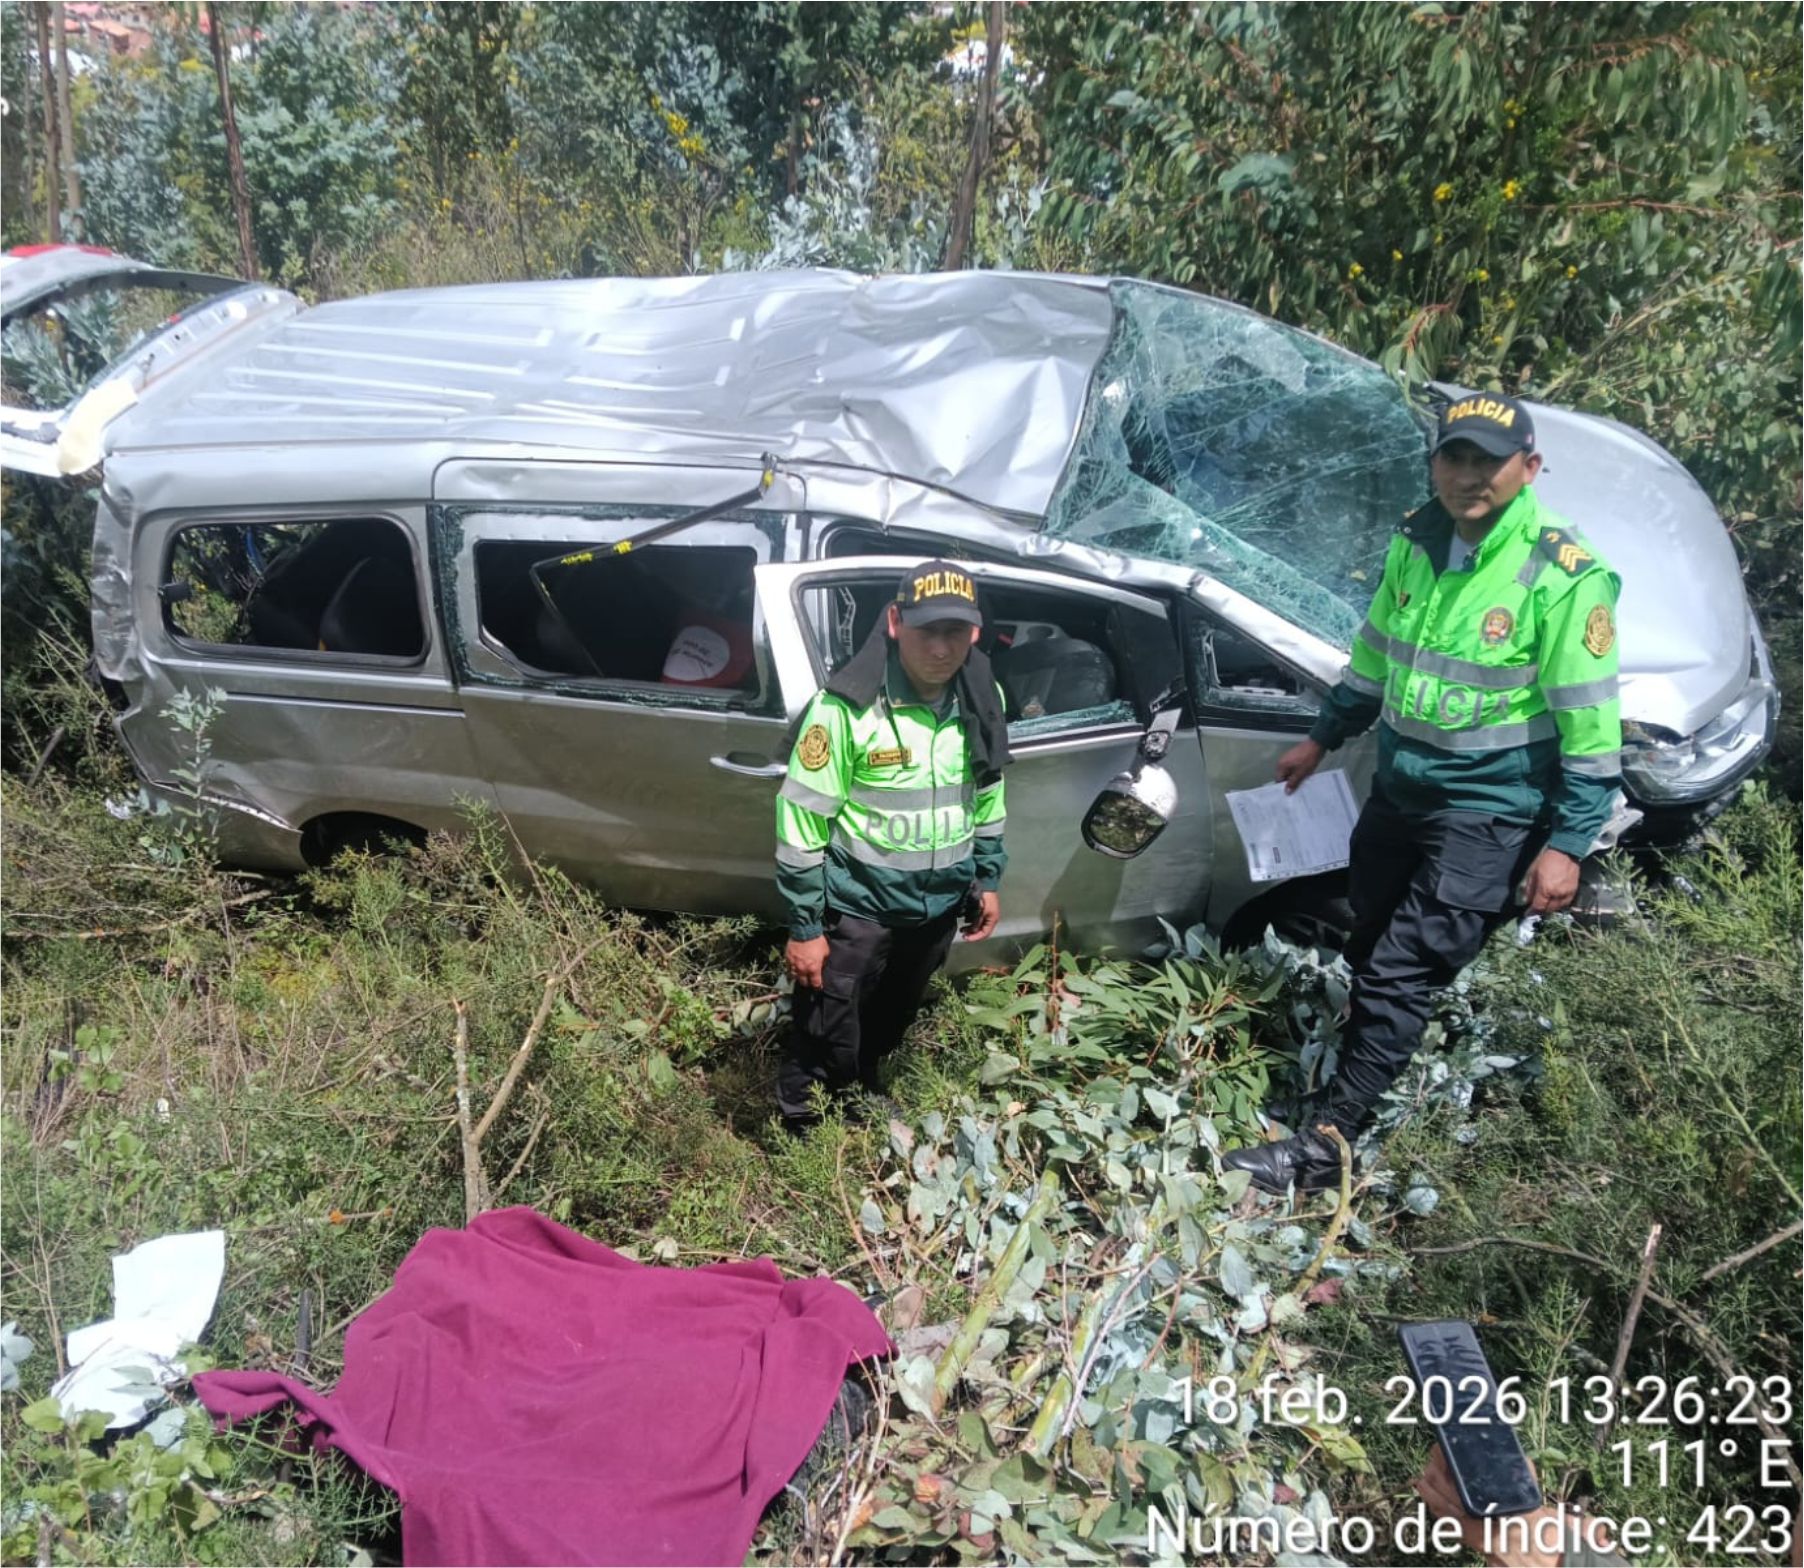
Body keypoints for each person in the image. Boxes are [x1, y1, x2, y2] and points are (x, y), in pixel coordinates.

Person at [1225, 392, 1622, 1192]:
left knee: (1399, 970)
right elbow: (1374, 657)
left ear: (1530, 468)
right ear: (1435, 463)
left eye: (1489, 461)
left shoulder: (1563, 575)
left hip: (1491, 810)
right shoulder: (1416, 540)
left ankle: (1326, 1149)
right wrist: (1322, 737)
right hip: (1400, 791)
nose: (1469, 475)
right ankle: (1377, 1052)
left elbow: (1590, 729)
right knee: (1371, 937)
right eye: (1456, 457)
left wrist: (1568, 845)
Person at [773, 560, 1010, 1131]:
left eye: (955, 632)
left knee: (892, 1013)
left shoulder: (982, 696)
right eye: (928, 630)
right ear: (896, 622)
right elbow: (801, 822)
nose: (941, 647)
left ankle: (859, 1094)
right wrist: (806, 927)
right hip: (860, 908)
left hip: (936, 907)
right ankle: (802, 1121)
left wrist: (989, 877)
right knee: (827, 1019)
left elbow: (988, 792)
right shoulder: (845, 709)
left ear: (975, 633)